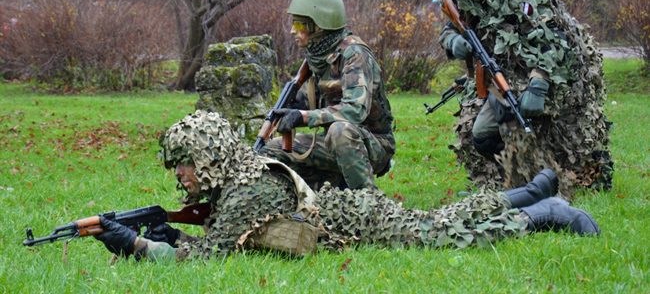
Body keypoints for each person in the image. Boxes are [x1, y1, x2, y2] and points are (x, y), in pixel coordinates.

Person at [94, 110, 599, 261]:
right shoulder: (237, 183)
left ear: (209, 159)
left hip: (356, 220)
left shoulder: (247, 190)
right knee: (439, 222)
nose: (180, 175)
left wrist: (139, 246)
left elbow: (212, 258)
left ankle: (545, 211)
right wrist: (173, 235)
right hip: (344, 214)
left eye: (184, 164)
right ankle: (533, 192)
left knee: (442, 233)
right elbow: (221, 238)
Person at [438, 0, 613, 197]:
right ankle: (505, 182)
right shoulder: (468, 0)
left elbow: (553, 39)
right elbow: (450, 28)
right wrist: (453, 41)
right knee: (480, 134)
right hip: (498, 77)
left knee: (547, 131)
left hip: (555, 75)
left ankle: (548, 179)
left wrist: (539, 82)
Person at [259, 0, 395, 190]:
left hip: (373, 143)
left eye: (298, 24)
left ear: (319, 26)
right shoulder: (318, 57)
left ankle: (368, 202)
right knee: (271, 151)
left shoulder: (354, 54)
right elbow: (323, 98)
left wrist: (303, 117)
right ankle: (316, 198)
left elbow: (355, 110)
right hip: (332, 140)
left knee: (340, 131)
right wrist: (296, 105)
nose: (292, 30)